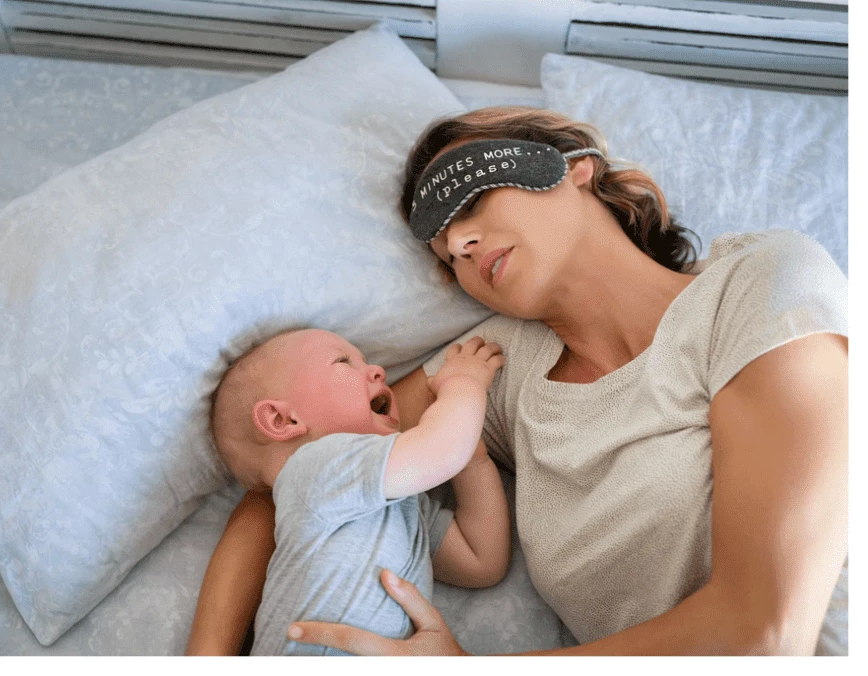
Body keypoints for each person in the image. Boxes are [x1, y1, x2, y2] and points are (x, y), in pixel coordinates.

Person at [186, 107, 848, 656]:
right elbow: (291, 473)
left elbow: (767, 633)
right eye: (447, 255)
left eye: (472, 199)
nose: (464, 246)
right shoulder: (494, 368)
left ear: (577, 170)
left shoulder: (760, 282)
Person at [205, 326, 509, 655]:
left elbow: (480, 562)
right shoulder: (315, 468)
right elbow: (441, 450)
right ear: (283, 420)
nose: (378, 370)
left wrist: (473, 462)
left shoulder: (400, 502)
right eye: (344, 362)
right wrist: (462, 385)